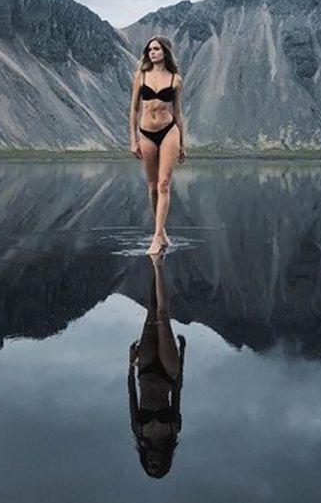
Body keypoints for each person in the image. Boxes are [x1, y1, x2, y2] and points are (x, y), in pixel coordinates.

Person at [128, 253, 186, 478]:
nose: (153, 462)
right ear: (165, 462)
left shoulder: (138, 431)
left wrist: (130, 363)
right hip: (168, 372)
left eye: (149, 465)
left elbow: (131, 395)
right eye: (157, 466)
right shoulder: (173, 430)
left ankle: (154, 265)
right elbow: (178, 393)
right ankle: (158, 266)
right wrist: (183, 356)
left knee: (151, 312)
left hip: (144, 370)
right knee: (163, 315)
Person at [129, 36, 187, 255]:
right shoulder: (140, 76)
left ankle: (156, 237)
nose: (152, 52)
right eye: (150, 49)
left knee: (164, 184)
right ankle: (161, 233)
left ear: (165, 52)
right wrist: (133, 139)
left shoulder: (175, 79)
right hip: (146, 133)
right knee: (152, 186)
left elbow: (179, 113)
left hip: (169, 131)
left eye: (156, 49)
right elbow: (134, 110)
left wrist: (182, 143)